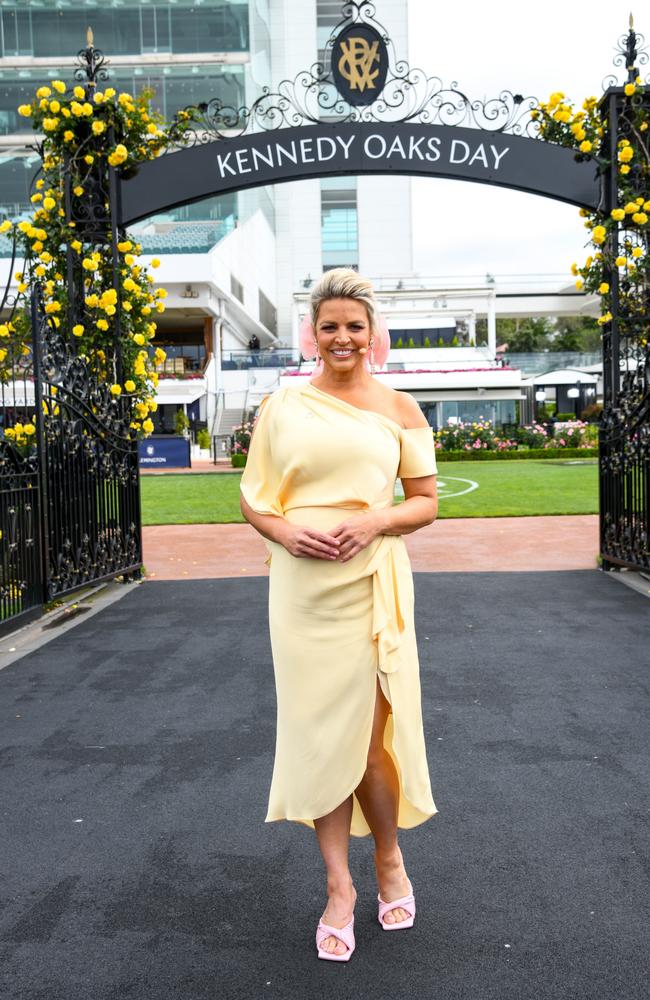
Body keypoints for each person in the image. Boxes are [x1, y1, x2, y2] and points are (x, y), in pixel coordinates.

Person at [239, 268, 439, 962]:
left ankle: (389, 861)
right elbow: (254, 498)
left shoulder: (401, 408)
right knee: (319, 739)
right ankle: (338, 889)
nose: (343, 337)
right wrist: (285, 533)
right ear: (313, 335)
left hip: (370, 584)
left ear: (372, 332)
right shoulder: (283, 408)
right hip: (300, 591)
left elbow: (425, 500)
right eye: (330, 327)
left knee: (369, 743)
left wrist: (377, 521)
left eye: (355, 325)